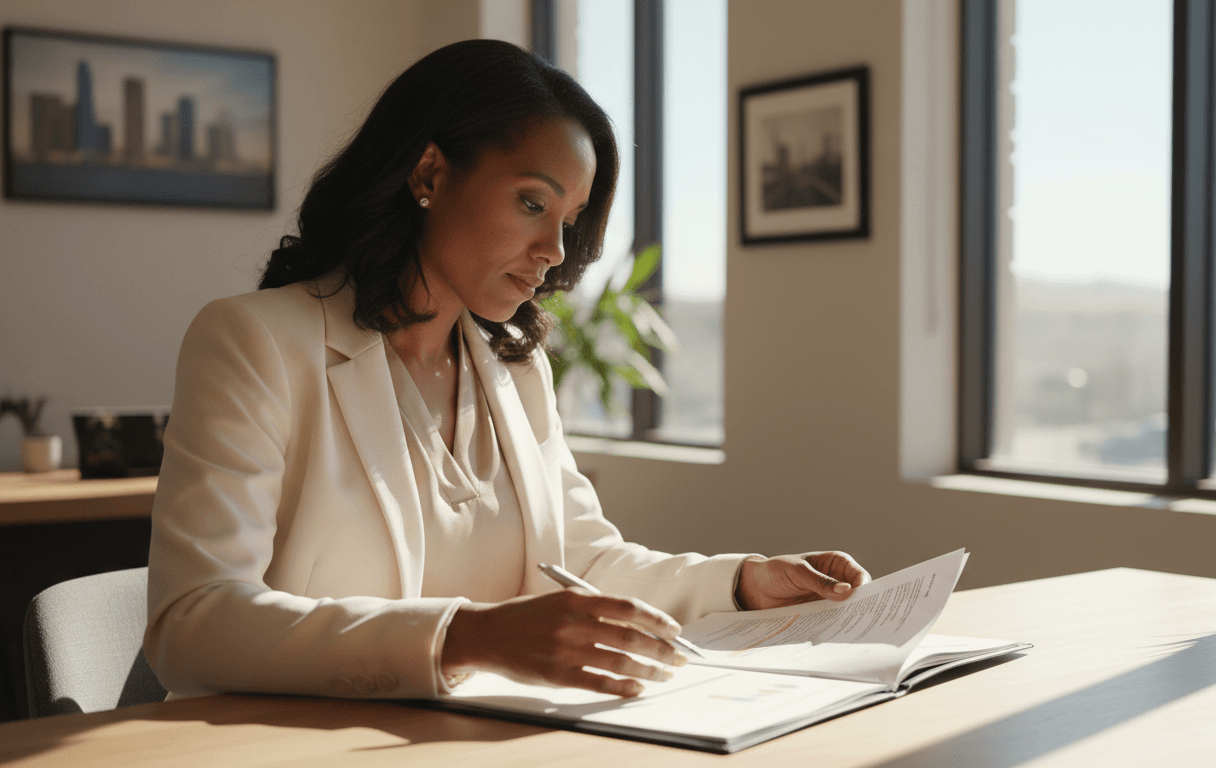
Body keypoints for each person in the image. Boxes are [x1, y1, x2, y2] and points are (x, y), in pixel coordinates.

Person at [144, 39, 869, 702]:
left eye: (569, 220)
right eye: (532, 203)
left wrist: (742, 584)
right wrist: (464, 638)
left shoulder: (515, 371)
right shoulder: (254, 341)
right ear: (430, 173)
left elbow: (583, 564)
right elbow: (192, 622)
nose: (555, 249)